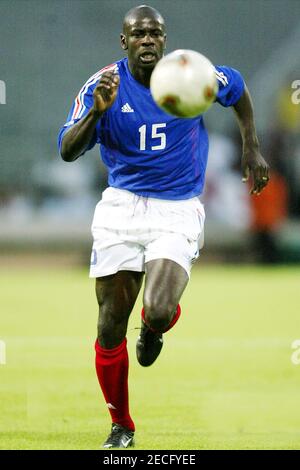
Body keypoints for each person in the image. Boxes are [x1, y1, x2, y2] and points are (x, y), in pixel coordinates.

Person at [58, 4, 269, 449]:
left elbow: (238, 88)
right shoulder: (104, 86)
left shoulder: (190, 74)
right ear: (124, 42)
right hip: (121, 208)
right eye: (138, 34)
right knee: (110, 325)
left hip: (177, 208)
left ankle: (154, 329)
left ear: (165, 40)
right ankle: (121, 426)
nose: (148, 40)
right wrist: (96, 114)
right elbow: (67, 150)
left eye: (155, 33)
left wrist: (252, 146)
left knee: (154, 310)